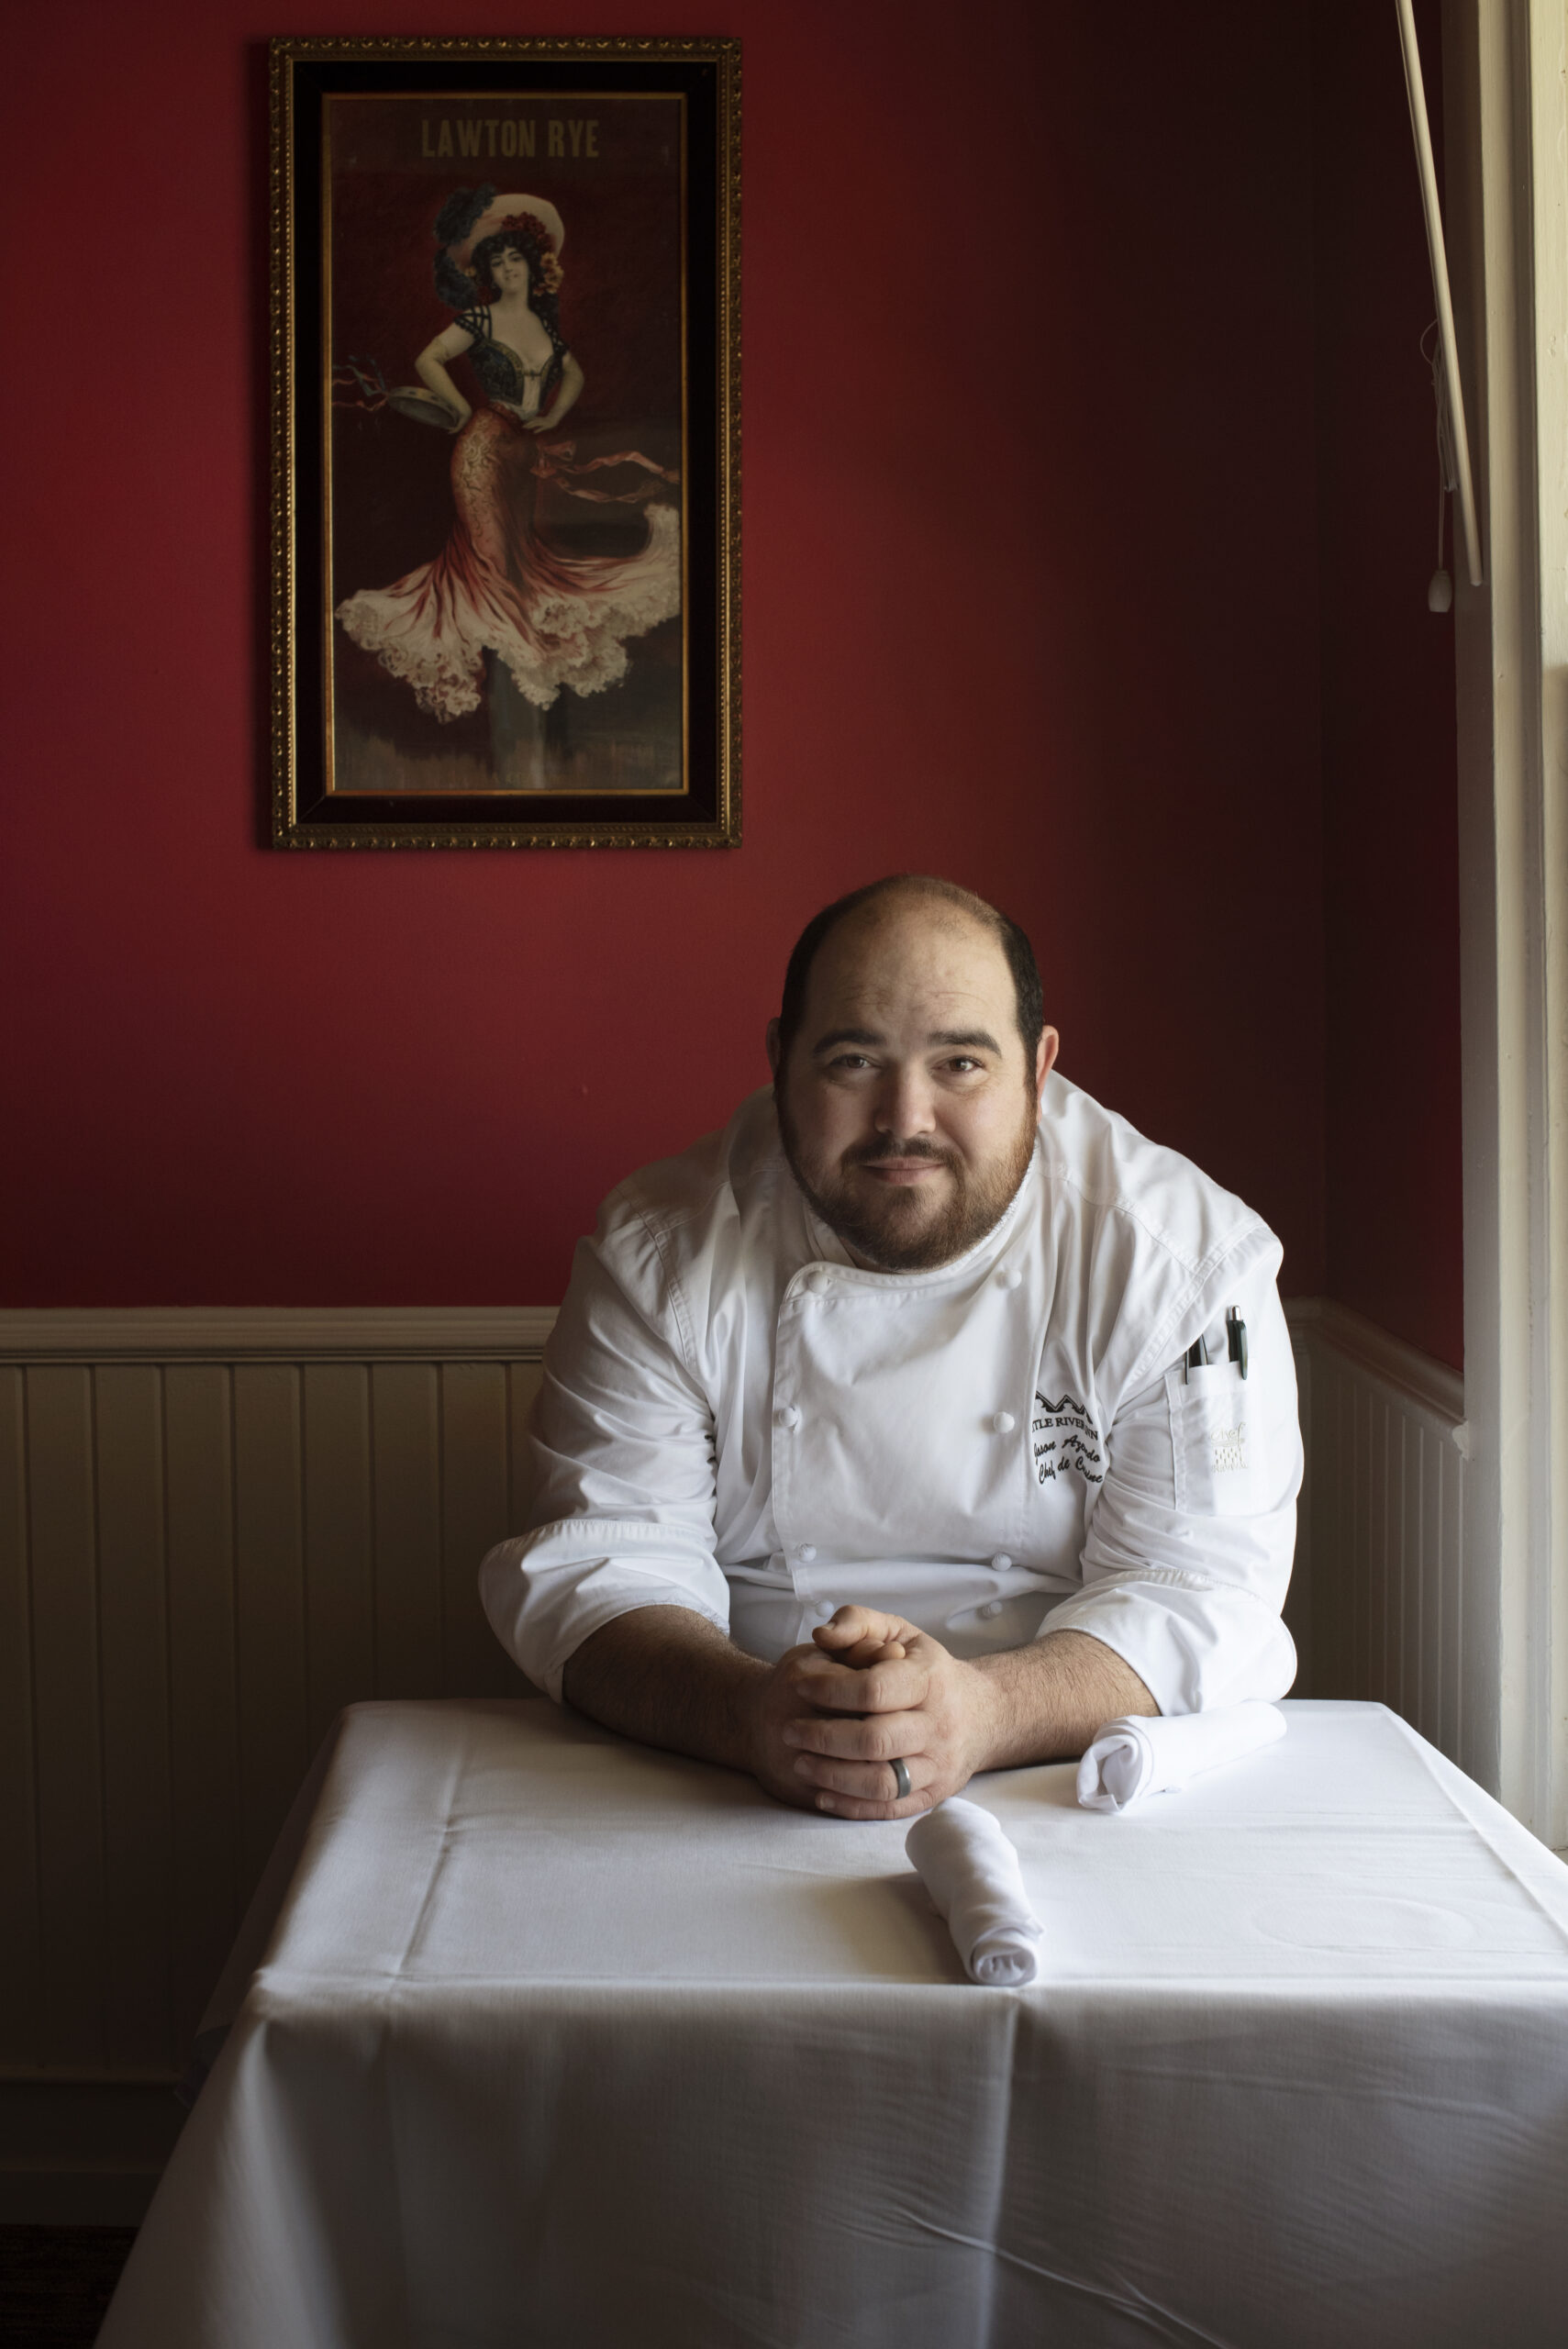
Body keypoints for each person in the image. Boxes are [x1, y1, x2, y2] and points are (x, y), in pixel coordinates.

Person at [480, 875, 1301, 1820]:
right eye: (852, 1061)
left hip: (1063, 1777)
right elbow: (601, 1560)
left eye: (958, 1063)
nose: (903, 1120)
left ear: (1037, 1071)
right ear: (779, 1060)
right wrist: (752, 1714)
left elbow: (1199, 1589)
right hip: (721, 1768)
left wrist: (985, 1711)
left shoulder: (1182, 1268)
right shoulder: (661, 1254)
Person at [336, 194, 680, 725]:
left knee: (520, 558)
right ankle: (510, 682)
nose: (506, 269)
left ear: (532, 265)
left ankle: (517, 678)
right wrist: (456, 406)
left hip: (523, 456)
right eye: (496, 263)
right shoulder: (477, 319)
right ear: (488, 273)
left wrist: (552, 416)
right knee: (491, 555)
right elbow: (428, 358)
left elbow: (576, 376)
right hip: (482, 448)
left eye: (514, 259)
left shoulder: (544, 328)